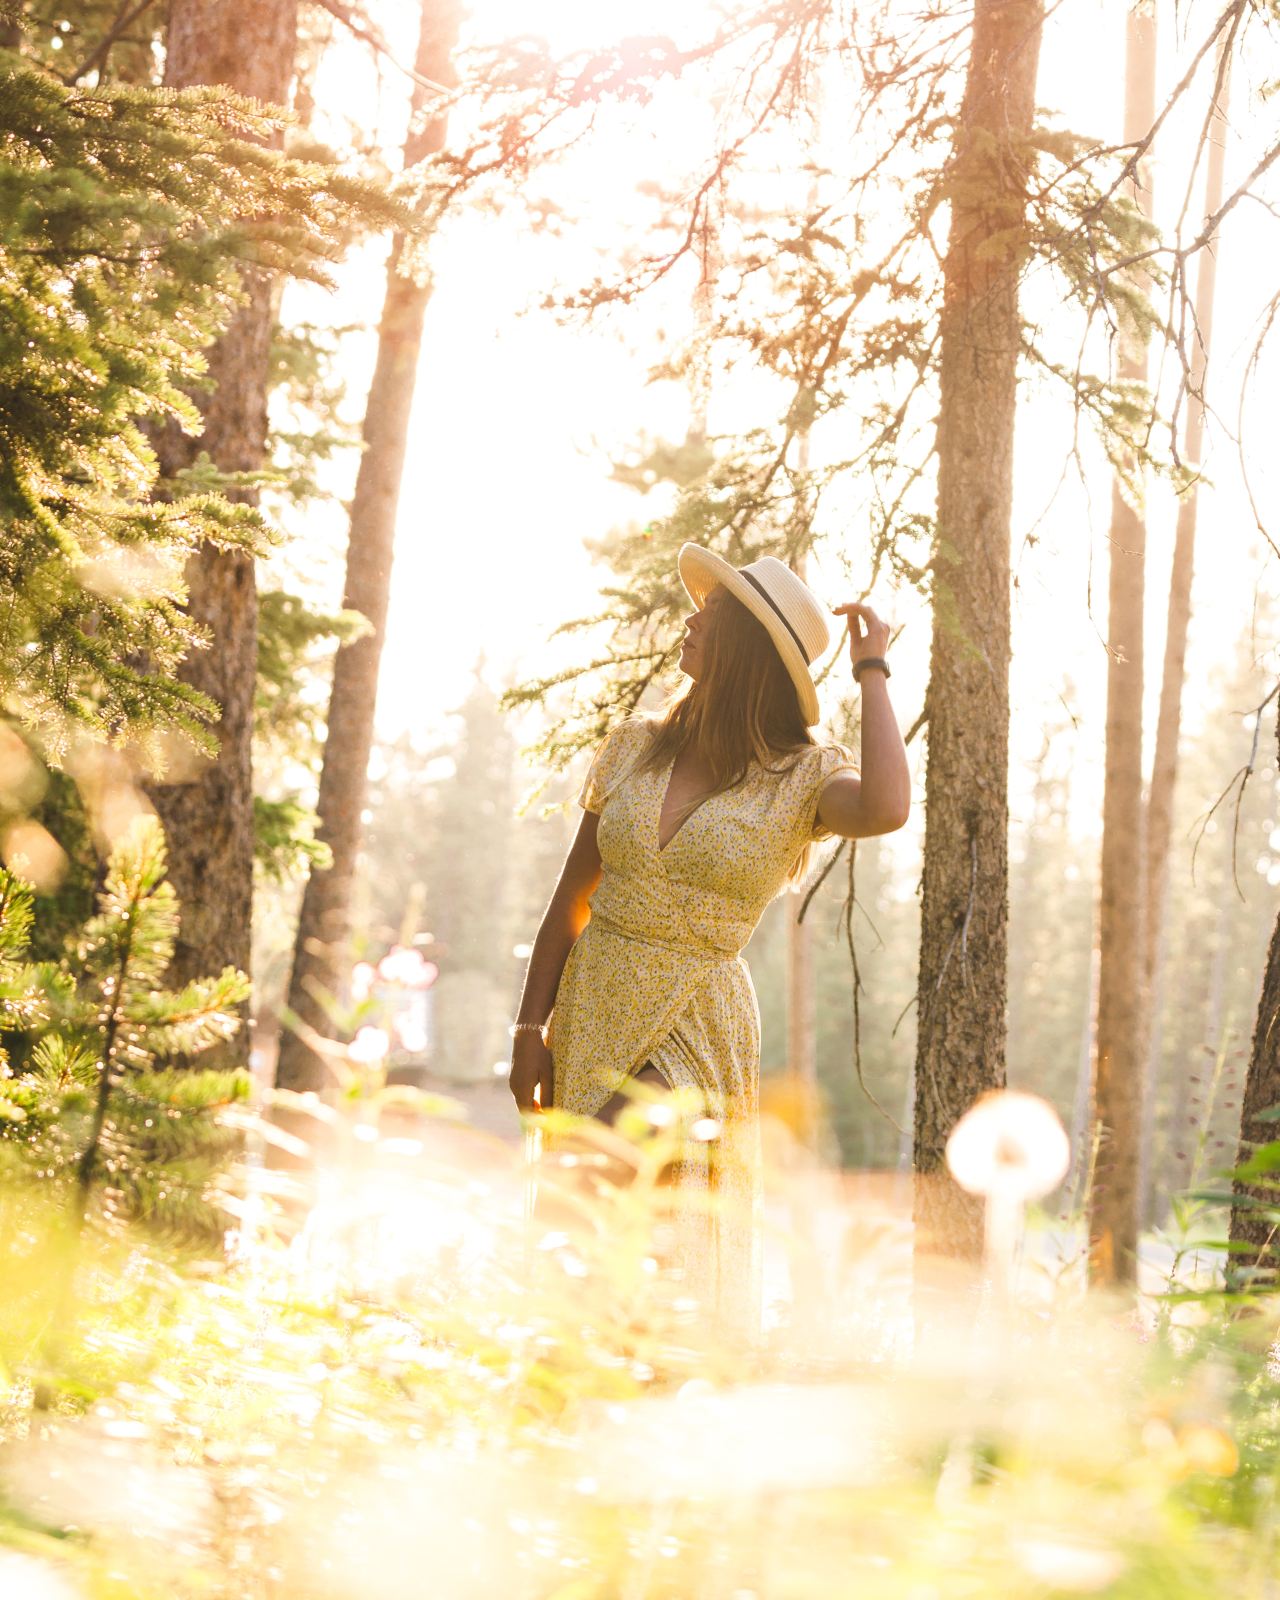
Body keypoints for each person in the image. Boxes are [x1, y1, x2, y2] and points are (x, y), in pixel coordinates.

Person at [507, 542, 911, 1340]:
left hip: (697, 1010)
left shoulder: (802, 777)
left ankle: (660, 1373)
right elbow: (571, 897)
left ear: (749, 651)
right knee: (577, 1212)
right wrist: (529, 1026)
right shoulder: (633, 745)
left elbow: (889, 809)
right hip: (593, 1004)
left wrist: (873, 670)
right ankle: (585, 1399)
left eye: (712, 615)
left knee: (628, 1176)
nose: (691, 622)